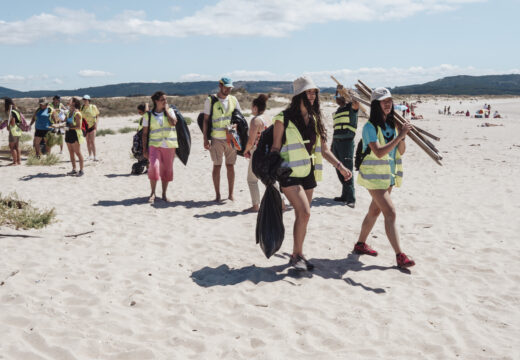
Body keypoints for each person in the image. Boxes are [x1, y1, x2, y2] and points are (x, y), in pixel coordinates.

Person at [271, 76, 352, 271]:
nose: (313, 95)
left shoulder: (315, 120)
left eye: (314, 92)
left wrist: (340, 166)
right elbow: (274, 150)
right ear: (299, 95)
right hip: (288, 173)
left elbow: (324, 150)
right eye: (308, 92)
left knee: (304, 216)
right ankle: (297, 255)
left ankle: (297, 254)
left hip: (308, 173)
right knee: (305, 212)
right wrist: (273, 182)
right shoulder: (283, 119)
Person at [354, 87, 415, 269]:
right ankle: (400, 255)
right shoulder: (369, 127)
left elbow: (400, 152)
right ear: (375, 105)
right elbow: (379, 152)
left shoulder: (391, 126)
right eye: (383, 101)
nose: (388, 104)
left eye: (389, 101)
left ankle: (360, 244)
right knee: (390, 212)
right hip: (373, 176)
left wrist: (402, 138)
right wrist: (400, 136)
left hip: (387, 176)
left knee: (375, 211)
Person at [202, 77, 242, 202]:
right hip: (216, 138)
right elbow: (206, 120)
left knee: (230, 166)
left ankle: (230, 195)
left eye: (230, 87)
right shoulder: (211, 100)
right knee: (217, 166)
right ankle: (218, 195)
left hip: (230, 137)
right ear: (220, 86)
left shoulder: (233, 99)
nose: (228, 89)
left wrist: (234, 126)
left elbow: (238, 118)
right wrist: (205, 139)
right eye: (226, 87)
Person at [142, 91, 178, 203]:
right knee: (153, 167)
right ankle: (152, 193)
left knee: (167, 170)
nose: (165, 101)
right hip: (154, 145)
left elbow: (174, 123)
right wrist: (144, 149)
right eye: (163, 100)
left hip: (169, 145)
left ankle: (164, 194)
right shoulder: (148, 115)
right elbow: (144, 133)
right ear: (156, 101)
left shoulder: (170, 111)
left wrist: (167, 111)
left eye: (166, 99)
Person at [331, 85, 359, 207]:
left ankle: (351, 198)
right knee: (339, 169)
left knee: (347, 169)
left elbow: (356, 102)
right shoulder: (338, 111)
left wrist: (344, 91)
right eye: (336, 95)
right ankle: (344, 195)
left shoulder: (351, 108)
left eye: (338, 95)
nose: (337, 97)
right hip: (336, 143)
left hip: (347, 143)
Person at [65, 97, 85, 176]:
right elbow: (66, 122)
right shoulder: (68, 112)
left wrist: (68, 127)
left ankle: (81, 170)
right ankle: (74, 169)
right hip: (68, 133)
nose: (68, 101)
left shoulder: (77, 113)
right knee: (71, 152)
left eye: (69, 100)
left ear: (74, 103)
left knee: (78, 152)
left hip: (75, 134)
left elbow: (78, 126)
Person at [80, 95, 100, 161]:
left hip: (92, 126)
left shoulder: (93, 107)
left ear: (89, 100)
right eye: (84, 100)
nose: (85, 101)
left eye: (86, 100)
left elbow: (97, 116)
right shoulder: (82, 108)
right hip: (85, 127)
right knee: (87, 141)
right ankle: (90, 155)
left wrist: (96, 124)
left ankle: (95, 156)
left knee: (92, 141)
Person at [3, 98, 22, 165]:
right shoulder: (17, 110)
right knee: (17, 146)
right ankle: (19, 161)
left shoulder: (11, 111)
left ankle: (15, 161)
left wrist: (7, 124)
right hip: (18, 129)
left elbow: (13, 123)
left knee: (12, 146)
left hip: (13, 130)